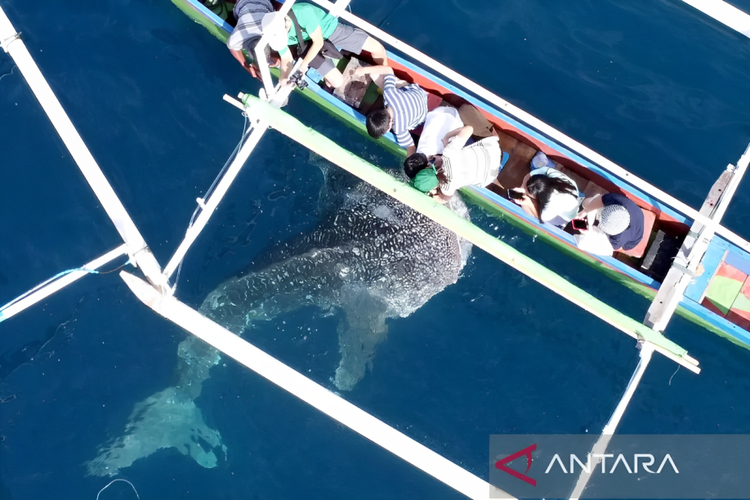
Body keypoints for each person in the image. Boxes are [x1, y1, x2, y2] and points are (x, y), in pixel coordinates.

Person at [261, 4, 387, 89]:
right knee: (337, 83)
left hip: (328, 30)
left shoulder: (303, 12)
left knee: (378, 48)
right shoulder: (275, 33)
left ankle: (386, 76)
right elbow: (286, 57)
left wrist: (303, 66)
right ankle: (327, 75)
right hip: (305, 45)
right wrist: (283, 78)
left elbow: (319, 42)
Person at [408, 125, 502, 201]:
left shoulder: (447, 187)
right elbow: (469, 128)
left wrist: (433, 194)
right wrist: (447, 137)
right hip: (493, 149)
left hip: (490, 177)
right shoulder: (448, 153)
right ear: (427, 166)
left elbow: (443, 199)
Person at [357, 65, 428, 156]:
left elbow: (411, 147)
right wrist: (363, 69)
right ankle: (396, 81)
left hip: (422, 116)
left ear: (389, 126)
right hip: (419, 93)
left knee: (409, 126)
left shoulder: (399, 129)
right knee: (373, 75)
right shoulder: (389, 93)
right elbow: (388, 69)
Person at [509, 153, 580, 227]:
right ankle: (545, 163)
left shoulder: (549, 209)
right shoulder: (551, 175)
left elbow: (538, 216)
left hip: (562, 217)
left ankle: (545, 163)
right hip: (572, 191)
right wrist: (523, 187)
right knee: (539, 162)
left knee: (529, 210)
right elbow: (529, 175)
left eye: (528, 194)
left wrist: (525, 202)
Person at [574, 192, 645, 255]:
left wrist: (589, 232)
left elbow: (615, 248)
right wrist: (583, 213)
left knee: (582, 243)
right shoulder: (616, 199)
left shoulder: (616, 240)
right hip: (636, 216)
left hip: (629, 243)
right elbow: (600, 199)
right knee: (588, 202)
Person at [226, 0, 276, 80]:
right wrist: (245, 66)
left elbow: (232, 47)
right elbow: (231, 46)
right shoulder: (238, 35)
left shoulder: (273, 30)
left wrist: (245, 66)